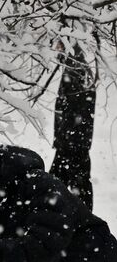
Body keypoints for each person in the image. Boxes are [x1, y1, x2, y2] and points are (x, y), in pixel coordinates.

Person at [50, 44, 96, 210]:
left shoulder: (76, 72)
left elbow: (75, 113)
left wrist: (66, 141)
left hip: (72, 146)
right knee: (61, 188)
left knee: (57, 189)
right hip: (72, 144)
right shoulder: (76, 71)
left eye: (59, 46)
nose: (56, 50)